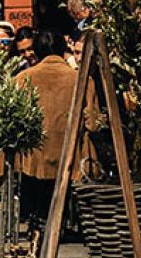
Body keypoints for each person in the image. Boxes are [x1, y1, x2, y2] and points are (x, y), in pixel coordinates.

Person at [9, 30, 99, 225]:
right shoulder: (82, 80)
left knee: (38, 206)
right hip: (70, 156)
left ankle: (37, 224)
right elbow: (92, 124)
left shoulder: (22, 79)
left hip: (34, 159)